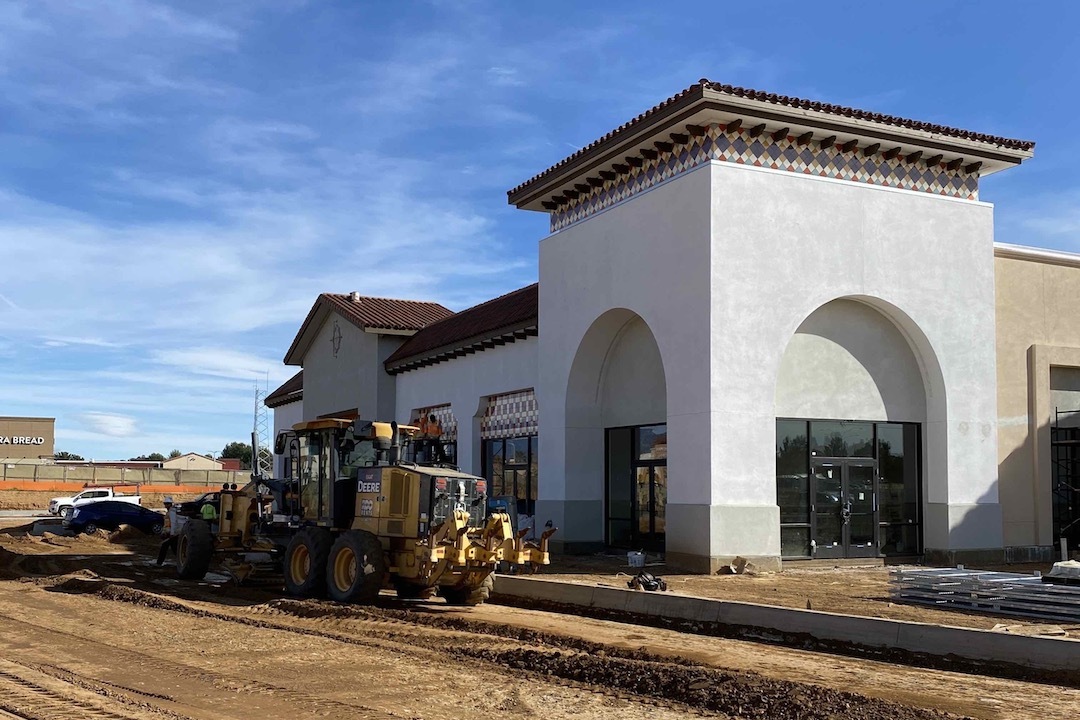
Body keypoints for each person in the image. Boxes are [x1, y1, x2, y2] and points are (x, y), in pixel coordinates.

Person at [156, 497, 177, 566]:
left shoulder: (172, 512)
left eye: (167, 504)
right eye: (165, 504)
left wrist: (172, 533)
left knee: (164, 547)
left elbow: (173, 523)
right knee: (174, 548)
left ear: (170, 504)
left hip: (171, 533)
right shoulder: (169, 512)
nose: (166, 505)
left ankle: (159, 563)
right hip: (169, 532)